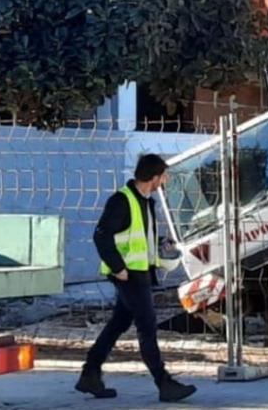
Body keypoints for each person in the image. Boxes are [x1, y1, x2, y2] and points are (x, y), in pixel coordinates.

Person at [75, 154, 197, 402]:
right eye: (163, 176)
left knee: (119, 323)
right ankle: (164, 384)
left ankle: (90, 374)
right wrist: (118, 267)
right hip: (128, 275)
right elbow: (101, 235)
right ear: (153, 177)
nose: (166, 180)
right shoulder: (122, 201)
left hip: (140, 273)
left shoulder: (146, 201)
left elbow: (139, 235)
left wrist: (161, 244)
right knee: (147, 326)